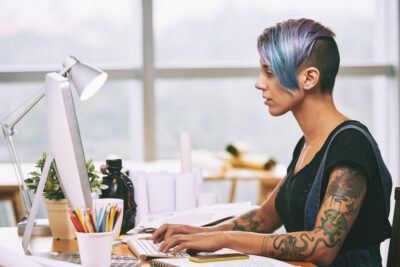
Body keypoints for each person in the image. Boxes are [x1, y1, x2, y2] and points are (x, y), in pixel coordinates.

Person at [151, 18, 393, 267]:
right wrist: (199, 233)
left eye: (270, 72)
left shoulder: (351, 144)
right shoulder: (308, 145)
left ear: (309, 78)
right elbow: (265, 218)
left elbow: (322, 247)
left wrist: (224, 239)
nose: (259, 83)